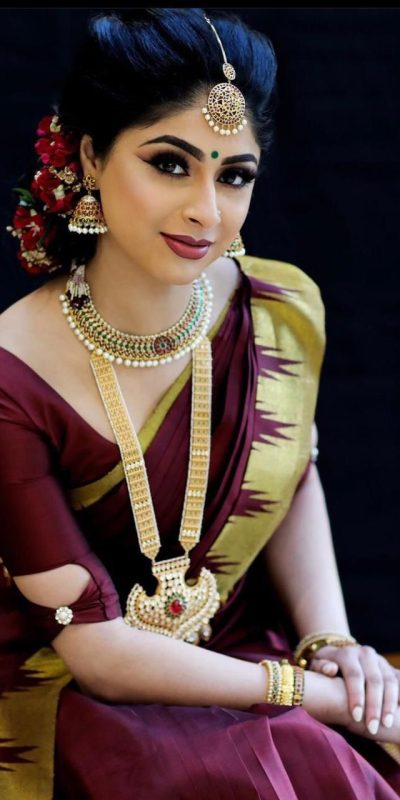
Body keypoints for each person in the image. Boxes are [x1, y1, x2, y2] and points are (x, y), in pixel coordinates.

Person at [0, 7, 399, 799]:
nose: (206, 212)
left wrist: (330, 643)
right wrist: (316, 697)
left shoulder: (273, 309)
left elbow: (289, 475)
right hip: (75, 687)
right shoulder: (15, 375)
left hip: (244, 653)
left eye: (235, 175)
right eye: (170, 164)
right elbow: (97, 654)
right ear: (90, 155)